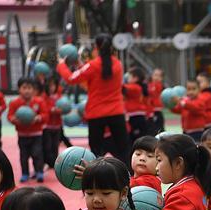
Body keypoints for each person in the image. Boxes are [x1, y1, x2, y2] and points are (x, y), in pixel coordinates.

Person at [57, 34, 130, 165]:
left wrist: (62, 64)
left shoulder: (93, 65)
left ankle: (96, 178)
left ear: (96, 48)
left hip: (97, 112)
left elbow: (72, 78)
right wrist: (81, 66)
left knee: (96, 151)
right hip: (116, 111)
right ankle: (129, 176)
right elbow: (95, 77)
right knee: (123, 149)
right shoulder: (118, 64)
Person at [7, 77, 49, 183]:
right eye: (24, 88)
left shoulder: (39, 101)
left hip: (36, 134)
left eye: (29, 88)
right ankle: (25, 173)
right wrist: (14, 119)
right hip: (22, 135)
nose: (27, 90)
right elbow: (10, 116)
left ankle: (39, 172)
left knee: (37, 153)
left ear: (33, 90)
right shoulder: (14, 103)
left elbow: (45, 114)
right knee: (23, 156)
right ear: (19, 89)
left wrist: (38, 117)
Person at [43, 78, 64, 170]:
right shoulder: (44, 96)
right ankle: (47, 162)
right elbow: (43, 108)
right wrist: (51, 110)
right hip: (47, 126)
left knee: (55, 145)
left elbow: (63, 107)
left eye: (53, 85)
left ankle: (54, 163)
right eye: (50, 85)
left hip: (57, 126)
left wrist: (62, 110)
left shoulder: (59, 97)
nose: (52, 87)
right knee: (47, 146)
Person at [124, 67, 149, 142]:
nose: (127, 77)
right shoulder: (136, 87)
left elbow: (122, 88)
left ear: (136, 78)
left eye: (129, 76)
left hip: (136, 117)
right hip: (134, 116)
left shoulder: (135, 87)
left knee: (136, 139)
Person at [147, 68, 165, 135]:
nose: (156, 77)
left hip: (157, 110)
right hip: (150, 111)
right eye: (155, 75)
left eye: (159, 76)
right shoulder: (149, 85)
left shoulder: (159, 85)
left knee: (159, 129)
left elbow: (153, 92)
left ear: (162, 78)